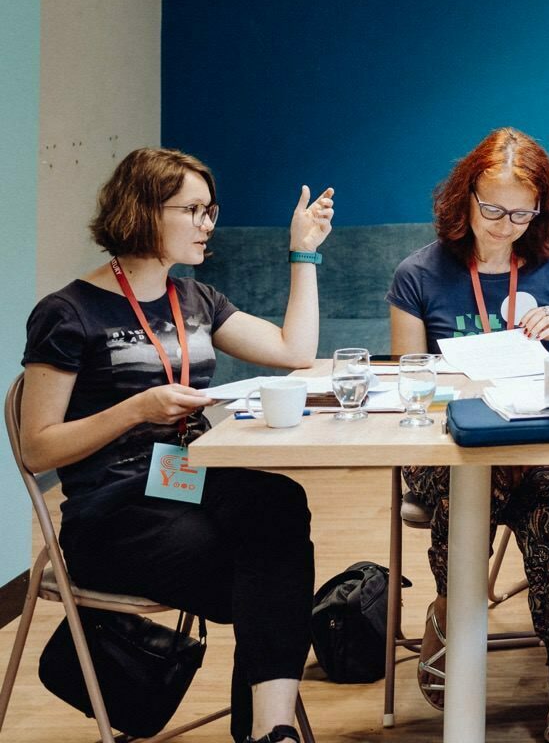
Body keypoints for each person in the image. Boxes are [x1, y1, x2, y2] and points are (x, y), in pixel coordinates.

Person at [20, 148, 334, 743]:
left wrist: (304, 251)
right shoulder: (68, 313)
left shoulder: (195, 299)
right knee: (268, 569)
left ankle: (271, 731)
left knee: (279, 502)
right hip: (112, 513)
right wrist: (138, 407)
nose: (207, 223)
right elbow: (38, 449)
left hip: (187, 480)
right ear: (141, 211)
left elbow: (295, 353)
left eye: (210, 210)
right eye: (193, 209)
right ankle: (270, 729)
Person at [387, 128, 549, 743]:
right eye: (493, 209)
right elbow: (409, 388)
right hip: (446, 449)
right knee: (469, 487)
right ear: (464, 198)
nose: (506, 225)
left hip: (535, 444)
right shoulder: (420, 274)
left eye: (522, 212)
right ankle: (451, 613)